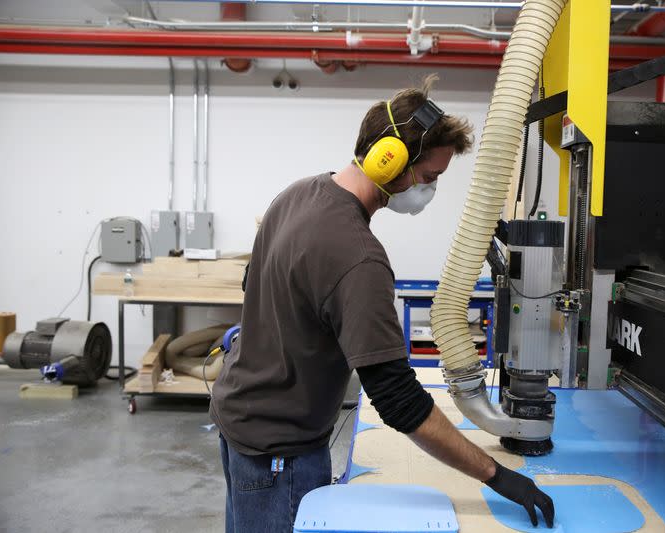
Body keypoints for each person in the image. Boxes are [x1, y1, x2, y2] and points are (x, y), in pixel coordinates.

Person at [210, 75, 555, 533]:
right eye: (430, 177)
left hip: (238, 425)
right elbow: (397, 401)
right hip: (281, 455)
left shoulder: (296, 194)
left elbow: (254, 285)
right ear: (389, 162)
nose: (430, 191)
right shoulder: (359, 258)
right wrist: (497, 476)